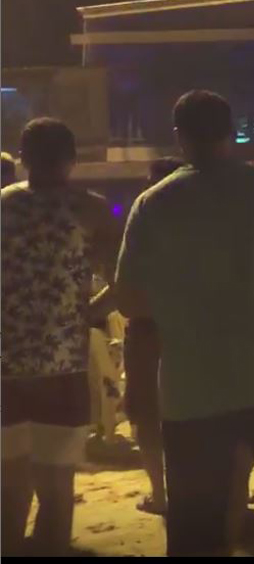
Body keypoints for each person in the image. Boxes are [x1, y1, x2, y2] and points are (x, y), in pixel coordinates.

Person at [112, 90, 254, 556]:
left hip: (193, 392)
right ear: (231, 132)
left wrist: (184, 304)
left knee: (199, 534)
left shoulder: (153, 204)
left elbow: (129, 300)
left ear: (179, 136)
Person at [1, 119, 118, 556]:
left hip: (5, 366)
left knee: (9, 486)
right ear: (72, 159)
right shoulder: (91, 209)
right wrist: (84, 314)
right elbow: (123, 282)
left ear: (23, 158)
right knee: (56, 487)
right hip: (64, 366)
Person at [122, 157, 185, 516]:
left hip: (148, 330)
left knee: (146, 414)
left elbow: (124, 289)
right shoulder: (200, 228)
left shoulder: (143, 220)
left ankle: (160, 494)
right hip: (194, 330)